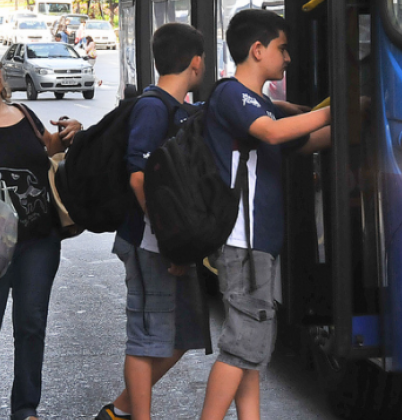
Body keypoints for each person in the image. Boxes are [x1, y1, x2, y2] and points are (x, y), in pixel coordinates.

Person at [199, 9, 332, 420]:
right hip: (242, 240)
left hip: (256, 243)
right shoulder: (233, 95)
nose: (289, 57)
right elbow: (274, 133)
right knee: (241, 346)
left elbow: (304, 142)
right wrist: (336, 109)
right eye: (282, 48)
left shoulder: (258, 106)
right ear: (257, 50)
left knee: (251, 350)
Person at [94, 23, 210, 420]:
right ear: (196, 62)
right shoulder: (152, 107)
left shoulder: (179, 109)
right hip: (148, 242)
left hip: (162, 240)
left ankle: (120, 411)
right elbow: (138, 176)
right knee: (147, 339)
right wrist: (169, 239)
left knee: (185, 334)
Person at [0, 75, 82, 420]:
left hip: (37, 240)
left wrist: (74, 132)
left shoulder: (24, 114)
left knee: (31, 323)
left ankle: (25, 408)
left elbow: (54, 149)